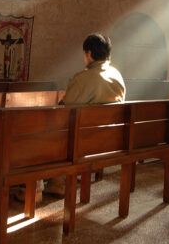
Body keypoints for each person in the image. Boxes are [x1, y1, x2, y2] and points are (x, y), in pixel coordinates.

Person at [40, 33, 126, 198]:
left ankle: (44, 185)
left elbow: (64, 110)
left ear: (88, 54)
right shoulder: (117, 76)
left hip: (85, 142)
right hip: (112, 139)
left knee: (49, 131)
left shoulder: (83, 78)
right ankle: (57, 180)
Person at [61, 33, 126, 105]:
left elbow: (64, 107)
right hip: (115, 116)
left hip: (88, 116)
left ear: (88, 53)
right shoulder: (117, 75)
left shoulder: (80, 79)